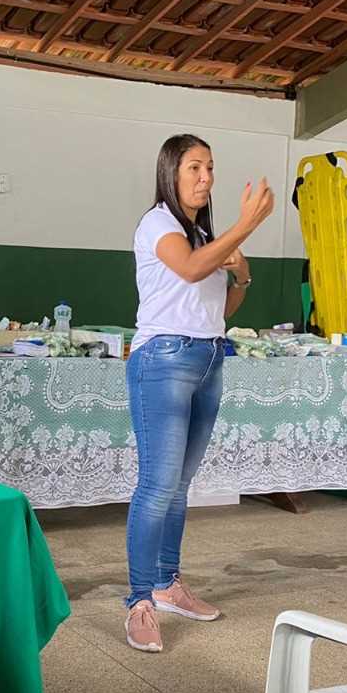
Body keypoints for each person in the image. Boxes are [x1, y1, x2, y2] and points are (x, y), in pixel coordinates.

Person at [124, 133, 274, 653]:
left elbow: (219, 310)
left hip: (209, 357)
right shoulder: (158, 224)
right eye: (194, 167)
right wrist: (246, 226)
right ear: (171, 171)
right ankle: (139, 601)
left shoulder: (204, 234)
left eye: (210, 167)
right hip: (163, 360)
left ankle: (167, 584)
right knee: (157, 485)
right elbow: (189, 269)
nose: (206, 177)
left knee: (180, 485)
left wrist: (243, 275)